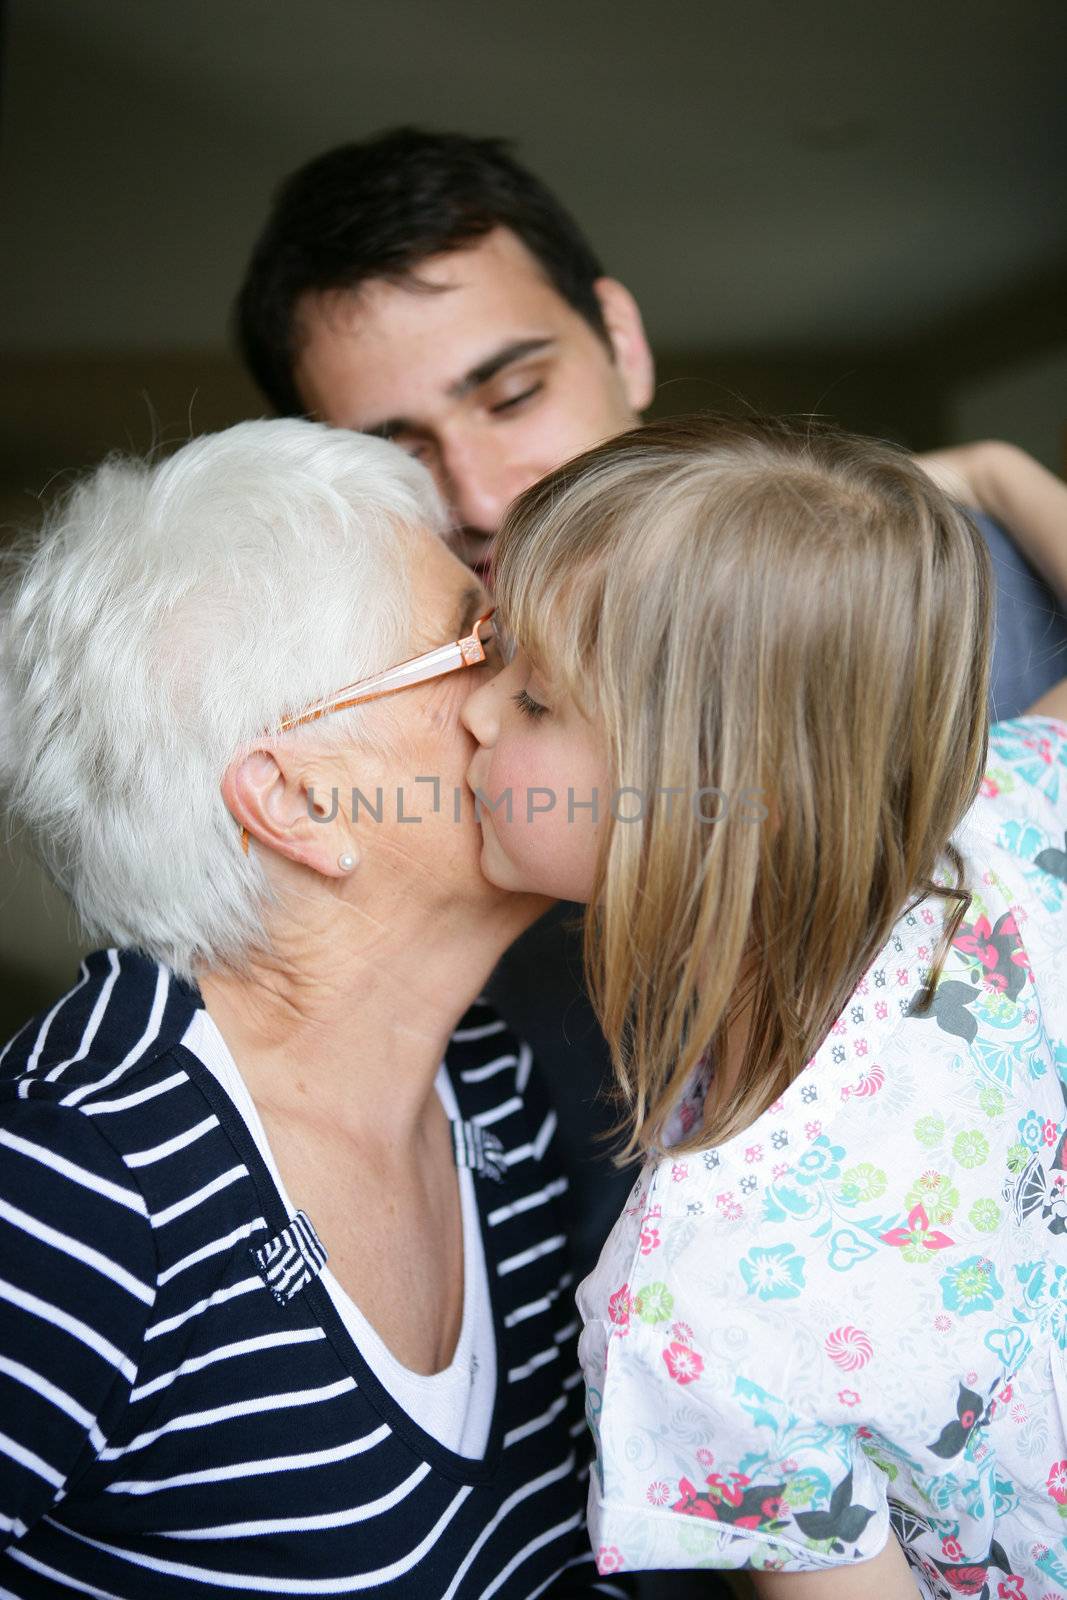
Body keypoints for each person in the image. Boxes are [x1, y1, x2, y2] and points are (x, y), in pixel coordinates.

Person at [234, 128, 1067, 1287]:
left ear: (618, 339)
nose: (478, 496)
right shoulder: (357, 739)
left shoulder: (940, 592)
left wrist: (992, 477)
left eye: (513, 393)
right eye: (397, 451)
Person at [0, 419, 624, 1598]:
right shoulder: (70, 1182)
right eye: (475, 643)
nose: (534, 681)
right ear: (297, 803)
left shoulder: (490, 1084)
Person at [460, 414, 1067, 1597]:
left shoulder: (703, 1311)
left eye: (534, 699)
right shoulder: (996, 831)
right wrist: (999, 470)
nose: (475, 715)